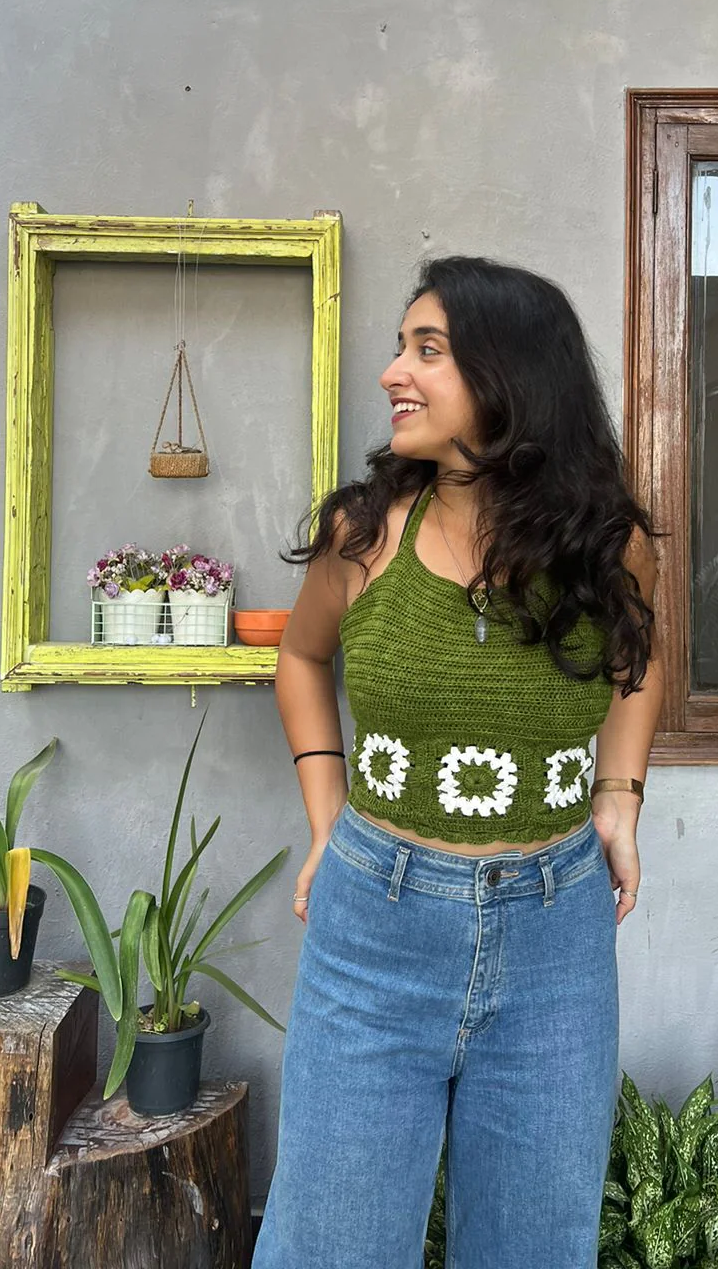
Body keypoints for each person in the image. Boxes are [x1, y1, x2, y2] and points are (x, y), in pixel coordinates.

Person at [252, 255, 662, 1269]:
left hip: (555, 939)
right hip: (373, 930)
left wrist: (620, 795)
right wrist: (324, 819)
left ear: (509, 378)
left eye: (426, 349)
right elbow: (300, 659)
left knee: (534, 1246)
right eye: (401, 347)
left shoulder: (608, 543)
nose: (394, 370)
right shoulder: (363, 534)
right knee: (332, 1244)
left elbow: (640, 661)